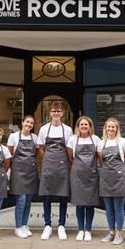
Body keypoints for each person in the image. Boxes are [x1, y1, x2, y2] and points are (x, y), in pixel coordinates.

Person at [37, 101, 73, 240]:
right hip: (48, 166)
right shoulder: (44, 129)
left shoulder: (68, 130)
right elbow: (41, 148)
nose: (56, 113)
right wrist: (47, 158)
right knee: (47, 195)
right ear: (50, 113)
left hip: (63, 166)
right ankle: (47, 225)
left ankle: (61, 225)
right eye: (54, 111)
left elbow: (69, 148)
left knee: (63, 196)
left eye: (58, 111)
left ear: (63, 113)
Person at [97, 117, 125, 245]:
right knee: (108, 208)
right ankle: (111, 232)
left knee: (118, 207)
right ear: (105, 128)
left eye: (113, 127)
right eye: (109, 126)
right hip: (106, 178)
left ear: (117, 129)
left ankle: (119, 234)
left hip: (119, 178)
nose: (111, 129)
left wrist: (124, 174)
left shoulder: (123, 142)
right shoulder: (101, 143)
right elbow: (101, 161)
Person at [66, 116, 100, 242]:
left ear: (90, 127)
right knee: (79, 204)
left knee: (90, 204)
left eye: (86, 124)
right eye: (81, 124)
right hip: (77, 176)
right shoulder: (72, 140)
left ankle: (88, 230)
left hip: (91, 176)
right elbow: (70, 158)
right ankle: (80, 230)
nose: (84, 126)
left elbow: (99, 157)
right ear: (78, 127)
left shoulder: (96, 139)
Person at [7, 115, 39, 239]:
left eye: (31, 123)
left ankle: (25, 225)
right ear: (22, 122)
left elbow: (35, 155)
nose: (29, 124)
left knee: (28, 201)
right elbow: (9, 155)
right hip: (18, 173)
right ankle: (18, 227)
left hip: (31, 173)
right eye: (27, 122)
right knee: (21, 201)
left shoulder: (35, 138)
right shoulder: (13, 137)